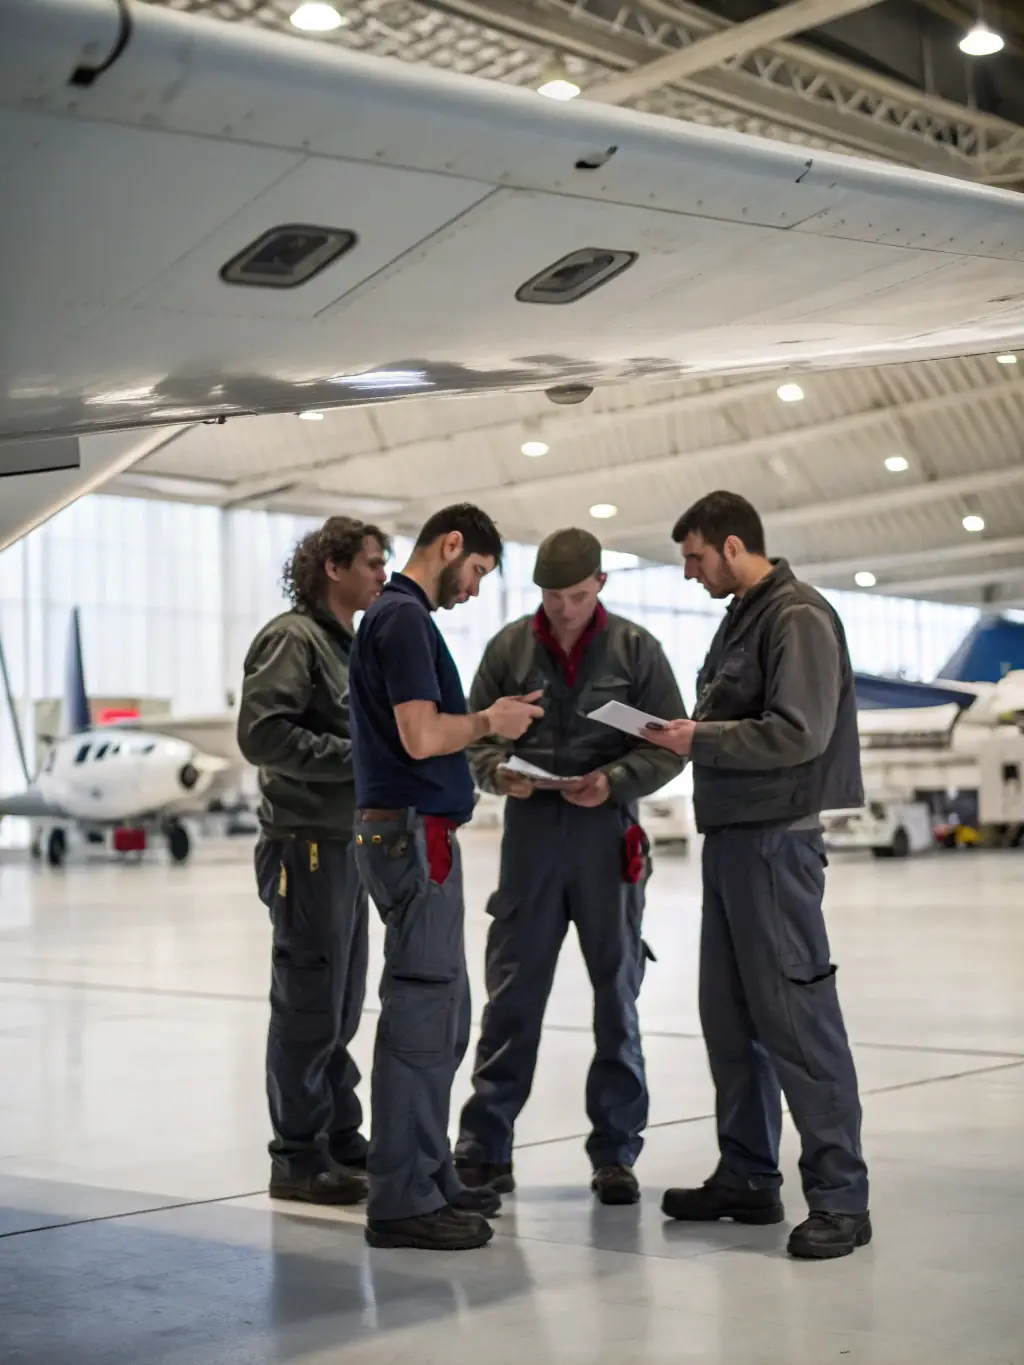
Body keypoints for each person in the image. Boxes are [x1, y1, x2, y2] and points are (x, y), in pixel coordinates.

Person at [643, 490, 871, 1260]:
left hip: (776, 842)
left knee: (797, 1020)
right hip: (733, 839)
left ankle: (841, 1196)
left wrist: (697, 736)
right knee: (732, 1018)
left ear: (734, 546)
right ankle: (747, 1175)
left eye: (695, 557)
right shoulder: (744, 615)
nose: (689, 574)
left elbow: (798, 732)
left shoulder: (795, 616)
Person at [454, 529, 686, 1205]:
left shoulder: (638, 649)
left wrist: (615, 779)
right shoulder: (508, 648)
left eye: (577, 595)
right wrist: (497, 772)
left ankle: (616, 1152)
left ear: (602, 584)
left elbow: (671, 745)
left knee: (617, 994)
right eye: (552, 596)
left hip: (606, 832)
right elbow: (473, 735)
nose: (564, 608)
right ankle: (484, 1146)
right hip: (530, 833)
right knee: (513, 993)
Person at [347, 503, 544, 1252]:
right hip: (410, 834)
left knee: (444, 1013)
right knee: (421, 1022)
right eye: (478, 571)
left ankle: (427, 1176)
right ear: (451, 545)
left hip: (418, 832)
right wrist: (491, 720)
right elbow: (422, 734)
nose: (475, 588)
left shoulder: (402, 620)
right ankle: (401, 1200)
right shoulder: (400, 619)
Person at [237, 516, 390, 1206]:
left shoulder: (343, 644)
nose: (381, 575)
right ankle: (296, 1156)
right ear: (333, 566)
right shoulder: (292, 639)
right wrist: (357, 760)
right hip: (304, 845)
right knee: (308, 1004)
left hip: (341, 843)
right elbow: (263, 733)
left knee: (339, 1004)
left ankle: (338, 1134)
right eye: (372, 563)